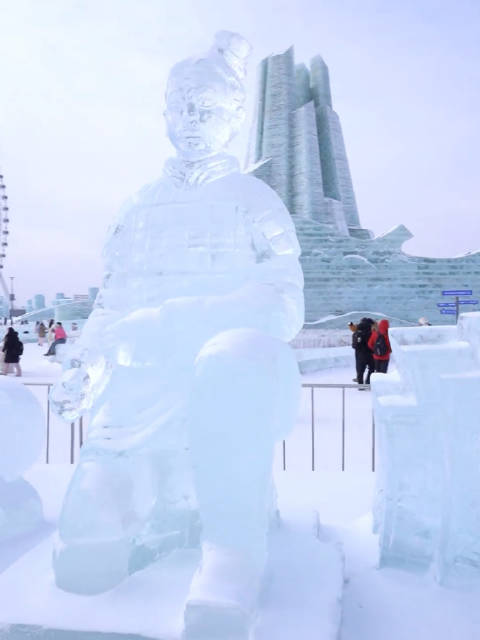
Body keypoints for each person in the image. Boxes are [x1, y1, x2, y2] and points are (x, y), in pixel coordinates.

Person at [352, 317, 375, 386]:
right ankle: (368, 382)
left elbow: (354, 345)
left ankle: (360, 386)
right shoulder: (371, 332)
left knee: (360, 371)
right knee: (372, 368)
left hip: (359, 354)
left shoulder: (356, 332)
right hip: (370, 353)